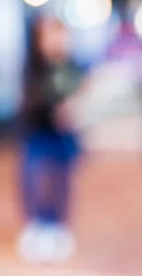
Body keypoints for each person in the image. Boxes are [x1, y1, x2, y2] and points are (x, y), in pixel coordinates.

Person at [17, 16, 85, 264]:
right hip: (38, 132)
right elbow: (29, 101)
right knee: (35, 180)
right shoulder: (33, 67)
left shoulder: (72, 66)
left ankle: (57, 227)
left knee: (61, 182)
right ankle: (36, 227)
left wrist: (74, 110)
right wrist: (52, 109)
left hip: (65, 136)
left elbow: (81, 94)